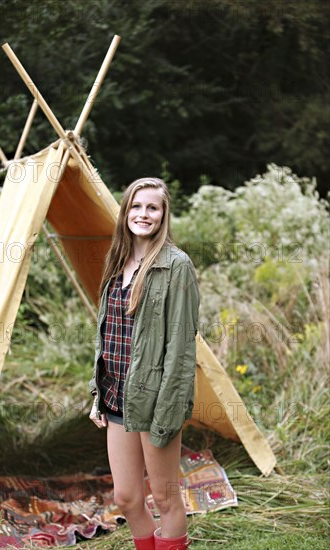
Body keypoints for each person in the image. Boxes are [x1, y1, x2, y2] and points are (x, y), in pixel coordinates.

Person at [89, 177, 200, 550]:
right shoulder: (117, 260)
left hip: (157, 401)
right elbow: (108, 333)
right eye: (136, 206)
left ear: (163, 214)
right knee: (127, 498)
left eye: (152, 207)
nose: (143, 214)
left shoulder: (177, 266)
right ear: (125, 212)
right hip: (117, 396)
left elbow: (182, 347)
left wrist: (169, 411)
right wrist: (97, 394)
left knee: (166, 497)